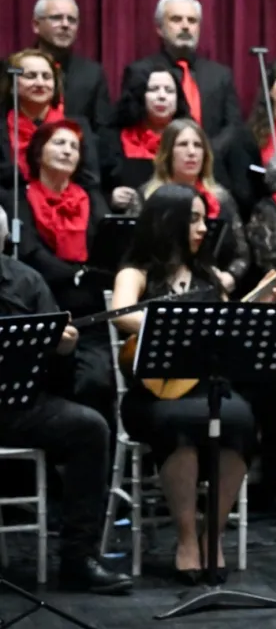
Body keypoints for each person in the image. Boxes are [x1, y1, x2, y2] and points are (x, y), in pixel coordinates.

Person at [110, 184, 276, 583]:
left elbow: (228, 331)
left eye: (203, 219)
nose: (203, 228)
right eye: (193, 219)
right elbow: (121, 314)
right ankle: (187, 538)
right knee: (180, 424)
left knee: (241, 423)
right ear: (166, 221)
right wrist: (178, 324)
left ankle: (213, 535)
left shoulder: (210, 277)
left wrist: (261, 307)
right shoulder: (135, 272)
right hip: (154, 393)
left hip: (208, 388)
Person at [0, 206, 132, 594]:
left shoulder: (26, 280)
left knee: (90, 427)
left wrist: (63, 346)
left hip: (20, 405)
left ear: (5, 240)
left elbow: (58, 367)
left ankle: (79, 558)